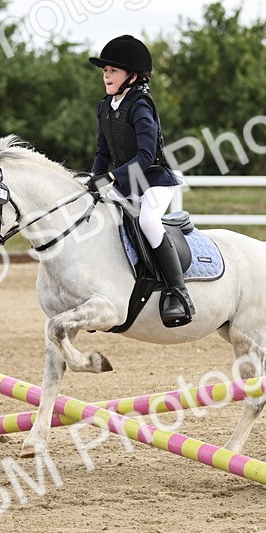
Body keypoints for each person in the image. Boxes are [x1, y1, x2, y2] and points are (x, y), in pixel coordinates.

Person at [87, 35, 194, 327]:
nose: (106, 75)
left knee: (147, 221)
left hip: (156, 180)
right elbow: (102, 151)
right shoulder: (104, 107)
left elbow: (146, 155)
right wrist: (92, 180)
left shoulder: (140, 105)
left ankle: (178, 292)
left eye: (113, 70)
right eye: (105, 70)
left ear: (131, 76)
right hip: (126, 182)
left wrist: (111, 177)